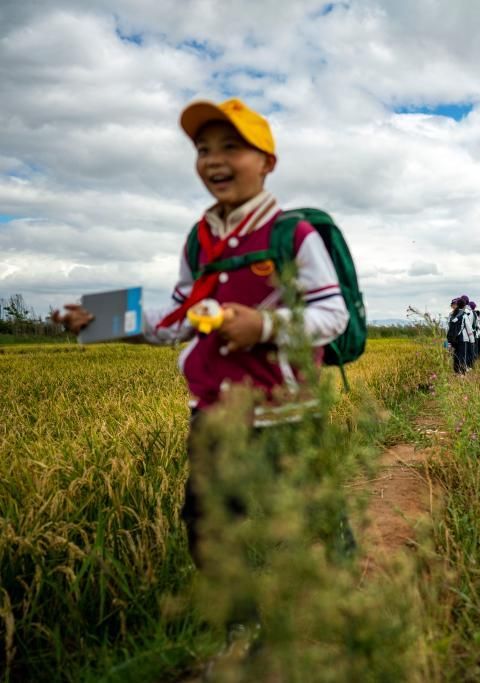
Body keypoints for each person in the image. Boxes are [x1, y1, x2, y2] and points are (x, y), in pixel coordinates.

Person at [52, 98, 350, 563]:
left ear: (266, 163)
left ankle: (338, 608)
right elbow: (178, 319)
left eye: (231, 147)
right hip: (212, 410)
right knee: (207, 526)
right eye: (203, 149)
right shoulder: (199, 239)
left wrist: (264, 325)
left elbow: (333, 315)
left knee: (309, 521)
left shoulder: (293, 235)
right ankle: (241, 626)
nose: (214, 159)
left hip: (286, 413)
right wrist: (106, 323)